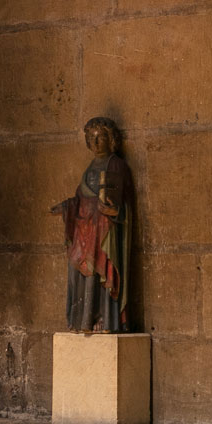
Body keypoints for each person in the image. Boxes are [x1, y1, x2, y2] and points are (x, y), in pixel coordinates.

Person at [52, 117, 135, 333]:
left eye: (101, 137)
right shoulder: (89, 168)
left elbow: (124, 201)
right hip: (84, 228)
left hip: (104, 230)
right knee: (78, 268)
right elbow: (80, 198)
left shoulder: (116, 165)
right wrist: (67, 207)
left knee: (101, 270)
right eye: (92, 138)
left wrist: (115, 210)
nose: (96, 142)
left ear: (111, 139)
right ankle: (84, 318)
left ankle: (103, 317)